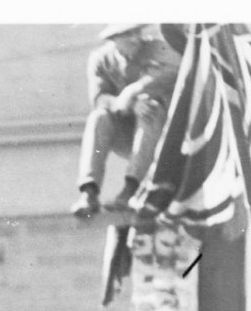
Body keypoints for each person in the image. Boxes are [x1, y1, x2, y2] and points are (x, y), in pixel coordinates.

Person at [74, 23, 180, 219]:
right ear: (113, 39)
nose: (134, 38)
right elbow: (99, 99)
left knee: (150, 108)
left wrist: (134, 91)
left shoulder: (158, 48)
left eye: (136, 32)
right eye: (125, 34)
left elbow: (175, 69)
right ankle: (89, 192)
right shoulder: (101, 59)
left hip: (161, 136)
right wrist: (129, 104)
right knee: (98, 117)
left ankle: (131, 189)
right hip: (125, 135)